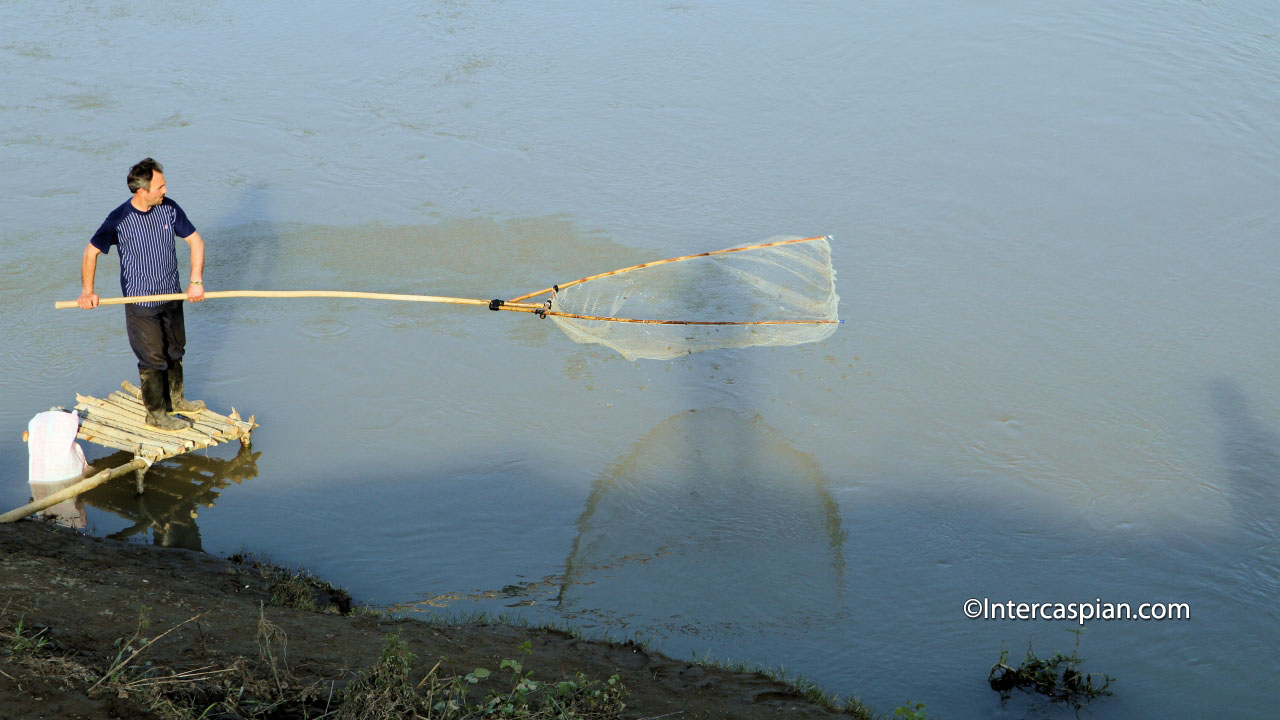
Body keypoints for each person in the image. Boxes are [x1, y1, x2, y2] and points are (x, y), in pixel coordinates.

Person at [78, 158, 207, 432]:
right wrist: (88, 291)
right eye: (160, 186)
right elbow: (91, 253)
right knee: (153, 359)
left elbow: (196, 241)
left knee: (175, 350)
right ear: (142, 190)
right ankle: (156, 414)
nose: (165, 190)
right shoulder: (118, 219)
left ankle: (176, 399)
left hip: (172, 297)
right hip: (141, 304)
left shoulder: (169, 209)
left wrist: (196, 282)